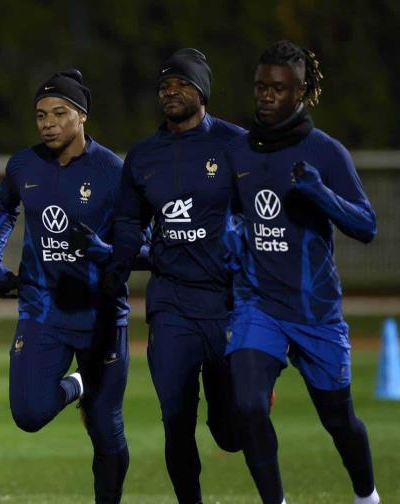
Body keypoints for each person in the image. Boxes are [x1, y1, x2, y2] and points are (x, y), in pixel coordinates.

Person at [223, 40, 380, 504]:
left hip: (315, 310)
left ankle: (367, 497)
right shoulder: (238, 151)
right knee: (249, 405)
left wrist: (320, 194)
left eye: (278, 88)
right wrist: (231, 233)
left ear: (300, 92)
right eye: (260, 86)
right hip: (258, 305)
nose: (266, 96)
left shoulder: (325, 152)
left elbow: (366, 226)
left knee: (339, 419)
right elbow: (234, 212)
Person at [0, 70, 133, 503]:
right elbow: (4, 208)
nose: (48, 123)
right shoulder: (23, 165)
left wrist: (108, 251)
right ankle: (79, 384)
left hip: (99, 315)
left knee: (105, 429)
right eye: (41, 115)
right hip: (42, 307)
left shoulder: (112, 171)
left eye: (59, 113)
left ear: (82, 116)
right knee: (28, 413)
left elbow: (143, 241)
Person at [104, 48, 245, 503]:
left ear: (202, 91)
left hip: (226, 303)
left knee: (231, 432)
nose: (170, 92)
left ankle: (235, 412)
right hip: (171, 304)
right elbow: (129, 222)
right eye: (164, 86)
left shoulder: (236, 144)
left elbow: (260, 215)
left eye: (182, 84)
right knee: (176, 418)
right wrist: (118, 267)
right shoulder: (144, 155)